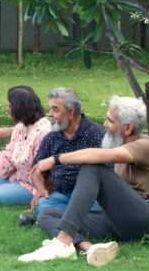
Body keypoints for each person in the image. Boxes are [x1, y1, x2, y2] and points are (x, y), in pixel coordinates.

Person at [18, 96, 149, 267]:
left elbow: (99, 157)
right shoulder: (119, 145)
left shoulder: (147, 146)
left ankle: (62, 243)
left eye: (110, 120)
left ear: (128, 128)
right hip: (122, 220)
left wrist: (55, 159)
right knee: (48, 213)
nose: (105, 124)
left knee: (93, 168)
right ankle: (90, 248)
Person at [26, 87, 104, 223]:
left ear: (71, 113)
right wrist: (40, 189)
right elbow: (35, 170)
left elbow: (110, 172)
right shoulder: (51, 138)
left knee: (100, 209)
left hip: (91, 198)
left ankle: (62, 217)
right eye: (50, 109)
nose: (50, 114)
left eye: (55, 109)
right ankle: (73, 217)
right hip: (62, 196)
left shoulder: (96, 135)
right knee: (42, 206)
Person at [0, 85, 51, 205]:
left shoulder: (43, 132)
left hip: (35, 185)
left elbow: (43, 169)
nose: (7, 108)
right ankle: (12, 189)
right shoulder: (19, 127)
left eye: (9, 105)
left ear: (19, 107)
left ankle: (34, 197)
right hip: (17, 177)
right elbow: (8, 158)